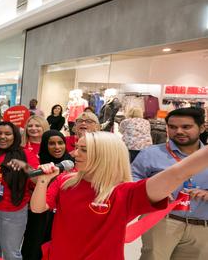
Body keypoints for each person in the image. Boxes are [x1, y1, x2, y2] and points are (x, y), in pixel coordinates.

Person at [30, 131, 208, 260]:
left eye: (83, 149)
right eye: (77, 147)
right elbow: (38, 208)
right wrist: (43, 181)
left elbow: (178, 172)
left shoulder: (125, 192)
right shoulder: (66, 181)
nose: (74, 153)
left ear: (104, 156)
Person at [132, 108, 208, 260]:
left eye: (186, 127)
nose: (179, 131)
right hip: (161, 221)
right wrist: (151, 191)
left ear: (202, 128)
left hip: (202, 227)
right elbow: (131, 181)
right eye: (172, 127)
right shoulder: (151, 154)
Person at [0, 122, 38, 260]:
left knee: (11, 251)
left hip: (14, 210)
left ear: (15, 135)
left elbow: (38, 180)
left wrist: (24, 166)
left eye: (7, 134)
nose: (2, 137)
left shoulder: (25, 154)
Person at [21, 130, 73, 260]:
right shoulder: (39, 165)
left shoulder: (71, 163)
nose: (57, 147)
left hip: (63, 217)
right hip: (40, 216)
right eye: (51, 143)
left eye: (60, 143)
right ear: (45, 145)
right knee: (34, 249)